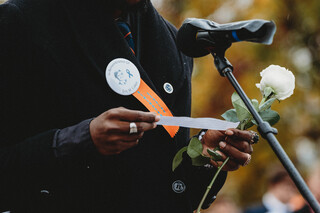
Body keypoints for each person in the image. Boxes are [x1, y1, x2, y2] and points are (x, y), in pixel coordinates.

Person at [0, 0, 256, 212]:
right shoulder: (21, 21)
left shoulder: (174, 43)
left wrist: (205, 157)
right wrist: (79, 139)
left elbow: (169, 189)